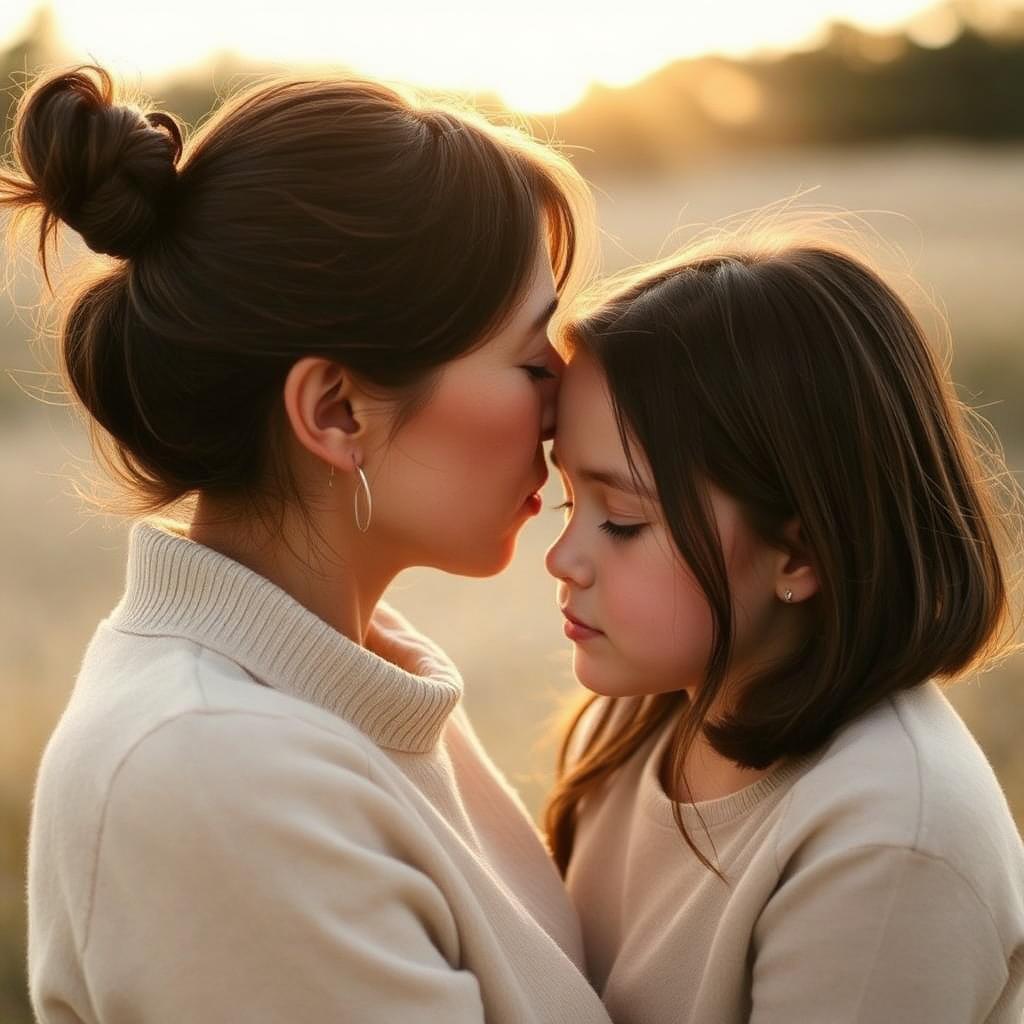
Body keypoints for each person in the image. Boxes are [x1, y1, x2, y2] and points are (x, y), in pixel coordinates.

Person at [1, 64, 612, 1022]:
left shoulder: (353, 682)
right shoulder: (215, 774)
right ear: (336, 412)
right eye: (534, 361)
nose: (563, 409)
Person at [543, 238, 1024, 1023]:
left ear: (799, 553)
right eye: (571, 503)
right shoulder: (650, 713)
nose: (564, 559)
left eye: (623, 521)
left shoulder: (888, 846)